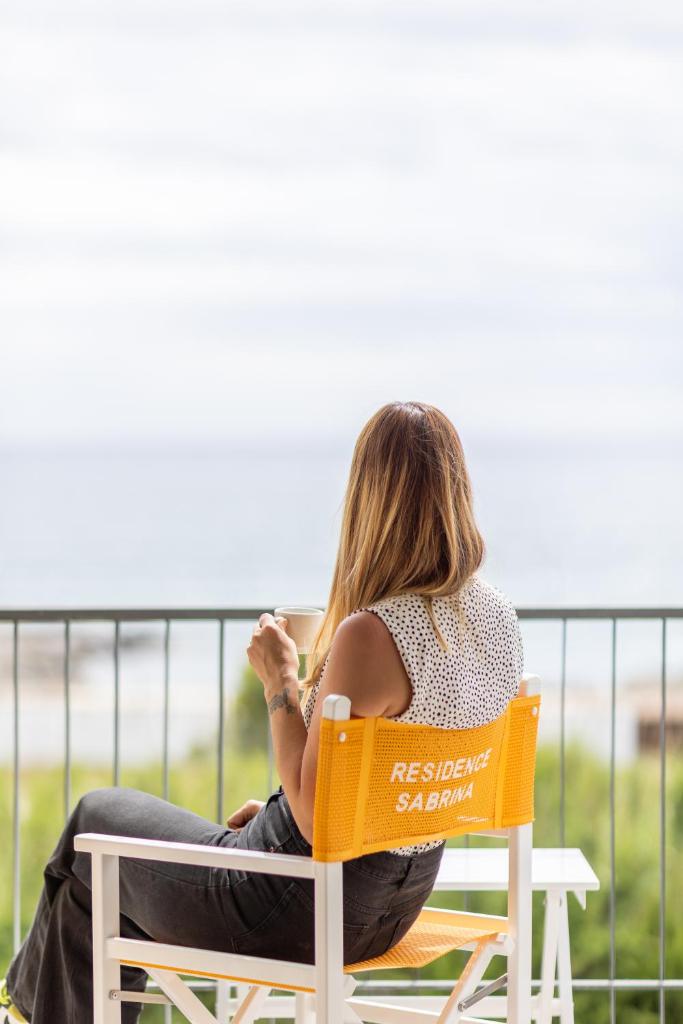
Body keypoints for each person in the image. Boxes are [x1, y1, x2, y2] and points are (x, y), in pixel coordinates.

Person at [0, 400, 523, 1024]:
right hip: (394, 905)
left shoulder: (371, 633)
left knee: (94, 829)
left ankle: (22, 1007)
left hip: (303, 908)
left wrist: (280, 682)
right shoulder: (497, 619)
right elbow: (382, 783)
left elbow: (313, 818)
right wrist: (276, 812)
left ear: (370, 499)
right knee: (107, 884)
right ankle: (23, 1007)